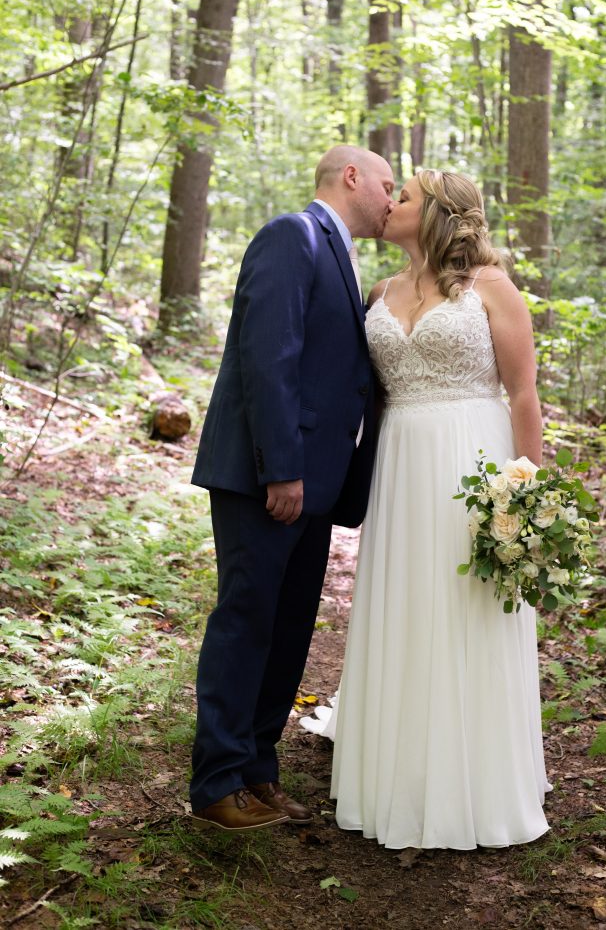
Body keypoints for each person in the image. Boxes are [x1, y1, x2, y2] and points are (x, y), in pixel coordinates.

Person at [326, 169, 551, 850]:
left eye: (409, 197)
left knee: (466, 608)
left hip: (473, 458)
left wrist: (523, 490)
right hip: (400, 464)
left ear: (441, 215)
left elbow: (523, 396)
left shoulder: (491, 288)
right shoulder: (381, 292)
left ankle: (478, 783)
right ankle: (398, 774)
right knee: (406, 605)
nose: (392, 203)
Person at [189, 145, 395, 832]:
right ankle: (216, 783)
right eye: (388, 184)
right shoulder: (292, 235)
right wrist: (281, 468)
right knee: (247, 619)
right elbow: (267, 356)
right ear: (352, 177)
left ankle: (256, 769)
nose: (394, 198)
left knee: (288, 629)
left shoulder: (343, 253)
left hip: (316, 486)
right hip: (266, 479)